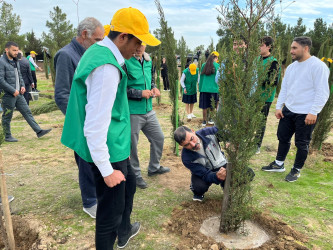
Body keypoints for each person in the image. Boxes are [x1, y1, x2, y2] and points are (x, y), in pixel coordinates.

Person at [60, 7, 161, 249]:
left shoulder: (100, 51)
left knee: (130, 187)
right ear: (123, 37)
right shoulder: (107, 68)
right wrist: (106, 169)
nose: (139, 48)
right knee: (109, 214)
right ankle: (115, 234)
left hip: (115, 144)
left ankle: (124, 231)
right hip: (105, 148)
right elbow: (95, 125)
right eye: (137, 42)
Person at [54, 17, 104, 219]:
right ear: (84, 35)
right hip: (81, 120)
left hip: (92, 118)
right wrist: (80, 121)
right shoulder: (66, 55)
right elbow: (62, 94)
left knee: (93, 158)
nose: (99, 44)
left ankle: (96, 196)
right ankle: (90, 202)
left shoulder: (87, 54)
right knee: (84, 159)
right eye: (97, 40)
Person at [262, 36, 330, 182]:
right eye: (291, 48)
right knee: (283, 138)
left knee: (301, 143)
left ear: (305, 48)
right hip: (289, 110)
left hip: (306, 113)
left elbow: (322, 91)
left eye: (294, 48)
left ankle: (296, 170)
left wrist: (314, 111)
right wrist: (279, 106)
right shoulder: (292, 67)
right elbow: (285, 88)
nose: (291, 51)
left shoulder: (318, 66)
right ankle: (279, 164)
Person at [125, 44, 170, 189]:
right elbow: (121, 89)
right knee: (133, 146)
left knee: (159, 138)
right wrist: (140, 94)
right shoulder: (124, 61)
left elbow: (149, 80)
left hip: (148, 110)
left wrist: (153, 87)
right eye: (135, 44)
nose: (138, 48)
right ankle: (135, 175)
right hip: (133, 111)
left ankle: (154, 167)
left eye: (141, 45)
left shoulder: (148, 61)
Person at [174, 126, 254, 202]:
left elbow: (226, 133)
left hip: (221, 164)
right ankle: (197, 191)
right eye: (187, 145)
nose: (193, 145)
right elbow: (204, 174)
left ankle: (227, 186)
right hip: (204, 171)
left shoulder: (208, 132)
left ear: (193, 131)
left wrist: (230, 140)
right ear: (181, 146)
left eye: (192, 139)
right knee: (199, 187)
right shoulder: (186, 158)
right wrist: (216, 177)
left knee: (248, 173)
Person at [0, 42, 52, 142]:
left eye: (17, 50)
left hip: (18, 93)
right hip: (8, 94)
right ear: (7, 50)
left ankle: (38, 131)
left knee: (27, 111)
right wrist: (12, 90)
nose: (16, 52)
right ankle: (7, 136)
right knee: (7, 115)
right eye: (14, 50)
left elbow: (19, 76)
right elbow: (1, 80)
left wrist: (22, 86)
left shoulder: (16, 61)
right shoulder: (1, 62)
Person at [256, 36, 280, 154]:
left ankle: (257, 145)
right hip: (253, 96)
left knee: (260, 121)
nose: (259, 47)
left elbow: (273, 82)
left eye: (261, 45)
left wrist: (257, 80)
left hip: (265, 97)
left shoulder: (273, 62)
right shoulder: (256, 60)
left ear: (269, 47)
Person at [199, 52, 220, 127]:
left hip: (204, 88)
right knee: (212, 106)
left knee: (204, 106)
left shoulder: (204, 65)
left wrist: (200, 88)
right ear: (216, 58)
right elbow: (219, 78)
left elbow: (201, 77)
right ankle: (211, 119)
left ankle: (204, 121)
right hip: (214, 89)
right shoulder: (217, 66)